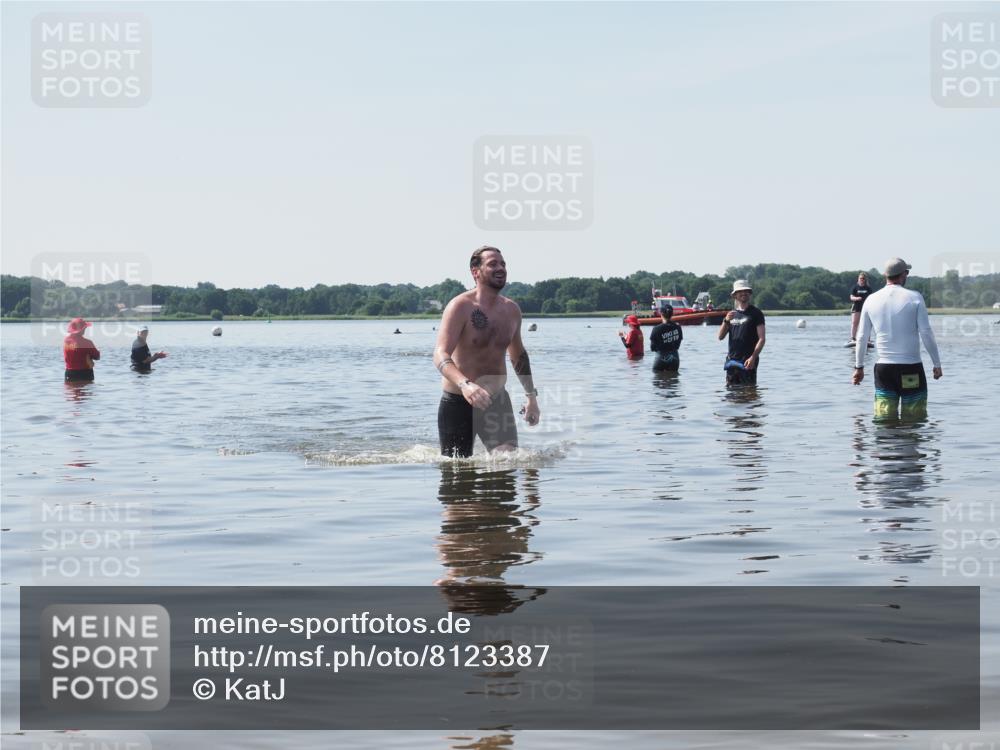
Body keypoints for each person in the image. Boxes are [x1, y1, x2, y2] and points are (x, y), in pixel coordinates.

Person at [433, 246, 540, 458]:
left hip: (497, 401)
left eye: (503, 264)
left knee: (507, 468)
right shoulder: (460, 306)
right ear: (476, 271)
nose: (500, 268)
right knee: (457, 476)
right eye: (493, 264)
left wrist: (531, 397)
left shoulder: (512, 310)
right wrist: (466, 385)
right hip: (459, 401)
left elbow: (518, 356)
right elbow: (440, 354)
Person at [853, 257, 942, 419]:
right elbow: (926, 332)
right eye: (907, 272)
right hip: (911, 369)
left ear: (886, 276)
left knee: (884, 419)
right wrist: (936, 363)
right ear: (903, 274)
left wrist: (859, 367)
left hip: (884, 370)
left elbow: (861, 337)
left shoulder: (871, 300)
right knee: (914, 419)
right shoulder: (915, 297)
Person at [718, 280, 765, 385]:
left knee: (749, 394)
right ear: (735, 295)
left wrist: (753, 357)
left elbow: (762, 339)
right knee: (731, 395)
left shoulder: (756, 313)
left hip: (748, 360)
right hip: (732, 360)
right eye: (740, 291)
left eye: (746, 291)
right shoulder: (731, 314)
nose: (744, 293)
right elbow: (720, 337)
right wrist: (726, 320)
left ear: (750, 293)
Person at [63, 317, 100, 382]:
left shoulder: (66, 341)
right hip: (84, 373)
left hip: (69, 373)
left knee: (70, 391)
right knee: (85, 390)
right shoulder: (87, 343)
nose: (85, 329)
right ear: (82, 329)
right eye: (84, 328)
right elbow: (97, 357)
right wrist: (98, 351)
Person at [649, 304, 682, 371]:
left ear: (661, 313)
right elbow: (678, 344)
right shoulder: (678, 327)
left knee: (657, 378)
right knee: (674, 379)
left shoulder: (656, 329)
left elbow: (652, 348)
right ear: (672, 314)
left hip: (661, 357)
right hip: (674, 357)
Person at [849, 271, 874, 342]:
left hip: (866, 308)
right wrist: (856, 298)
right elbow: (851, 297)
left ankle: (868, 339)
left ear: (865, 280)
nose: (862, 280)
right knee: (854, 323)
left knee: (866, 324)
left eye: (863, 279)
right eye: (860, 278)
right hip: (856, 307)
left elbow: (871, 298)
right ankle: (853, 338)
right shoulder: (855, 287)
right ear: (858, 279)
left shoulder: (868, 288)